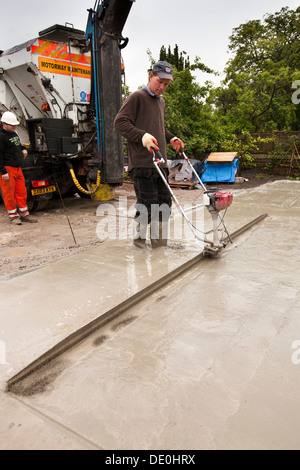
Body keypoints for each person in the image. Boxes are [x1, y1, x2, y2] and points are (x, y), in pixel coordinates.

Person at [114, 60, 184, 247]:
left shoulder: (160, 102)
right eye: (159, 81)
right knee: (147, 207)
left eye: (166, 84)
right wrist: (142, 136)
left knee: (164, 206)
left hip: (160, 164)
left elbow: (159, 128)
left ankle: (159, 248)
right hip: (143, 164)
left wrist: (171, 138)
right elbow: (120, 123)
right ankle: (139, 246)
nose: (162, 87)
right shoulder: (137, 97)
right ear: (151, 76)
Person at [0, 111, 37, 225]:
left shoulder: (13, 133)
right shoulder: (1, 136)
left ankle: (24, 214)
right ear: (4, 124)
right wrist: (3, 171)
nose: (15, 127)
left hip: (17, 168)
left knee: (21, 192)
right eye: (13, 125)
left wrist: (23, 149)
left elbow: (18, 144)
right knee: (9, 193)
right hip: (8, 168)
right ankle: (13, 216)